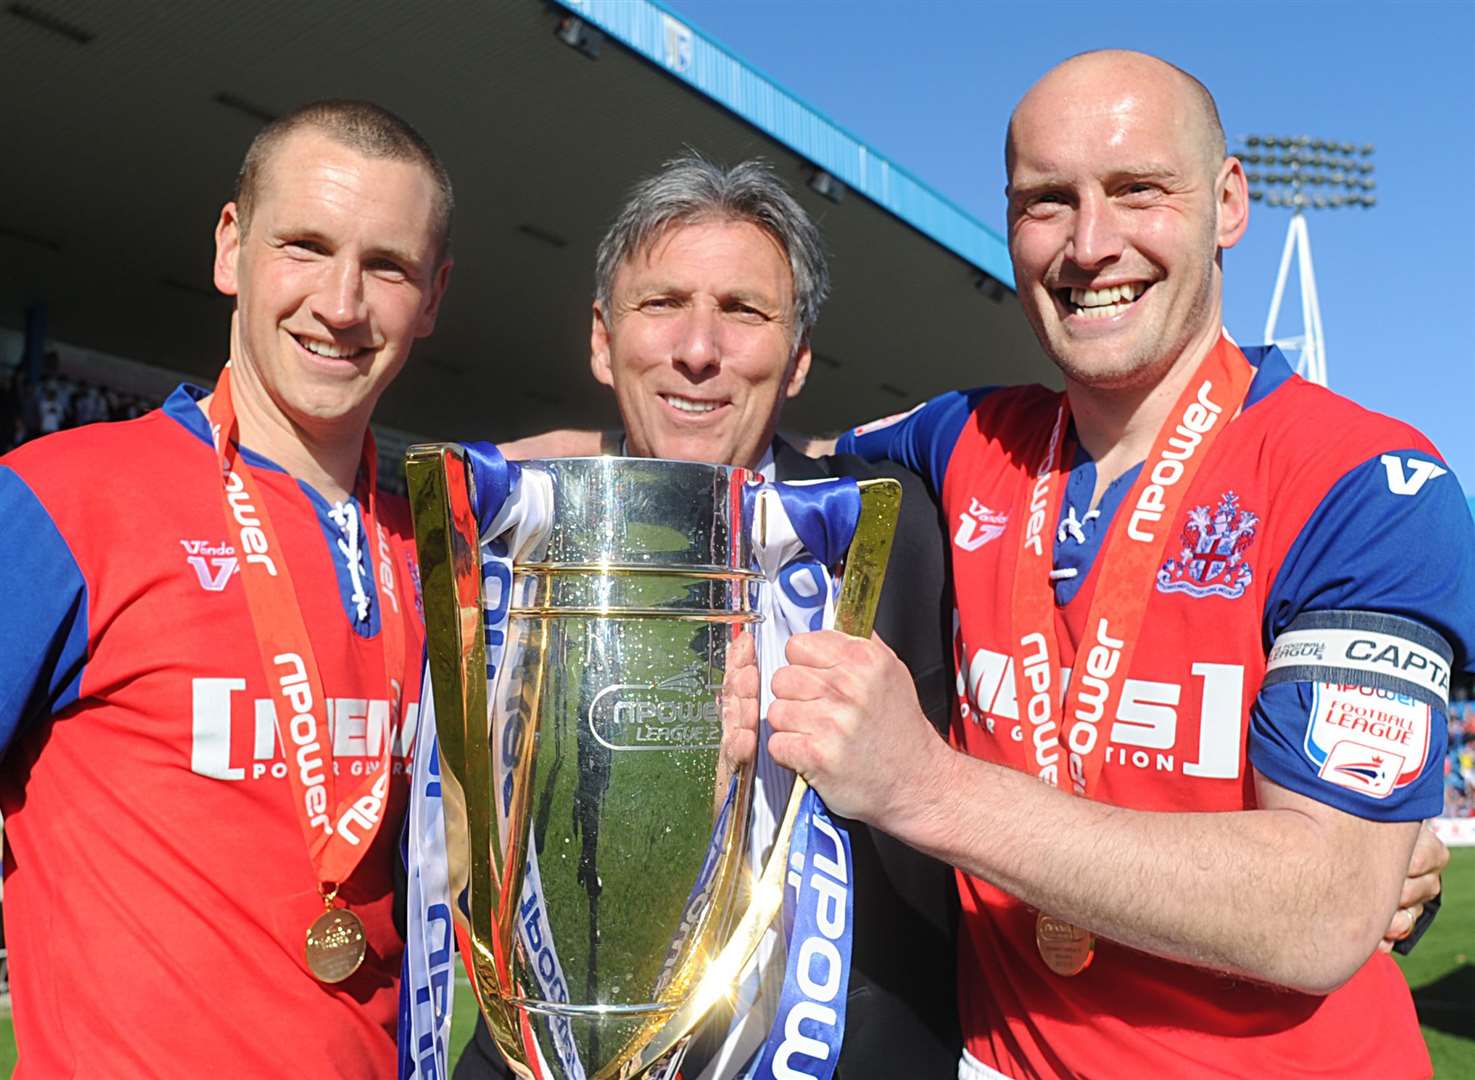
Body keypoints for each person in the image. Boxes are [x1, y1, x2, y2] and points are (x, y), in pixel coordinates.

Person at [762, 50, 1471, 1078]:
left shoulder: (1362, 483)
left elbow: (1319, 912)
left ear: (1227, 202)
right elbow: (760, 462)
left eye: (1137, 190)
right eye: (1046, 201)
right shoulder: (957, 441)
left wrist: (921, 786)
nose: (1090, 246)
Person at [463, 155, 962, 1078]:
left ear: (799, 358)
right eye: (661, 305)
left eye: (744, 311)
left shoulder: (902, 539)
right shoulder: (503, 539)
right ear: (603, 343)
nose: (699, 348)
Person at [0, 100, 452, 1076]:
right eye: (305, 245)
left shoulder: (437, 553)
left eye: (387, 266)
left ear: (433, 298)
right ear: (230, 247)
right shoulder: (59, 501)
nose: (340, 302)